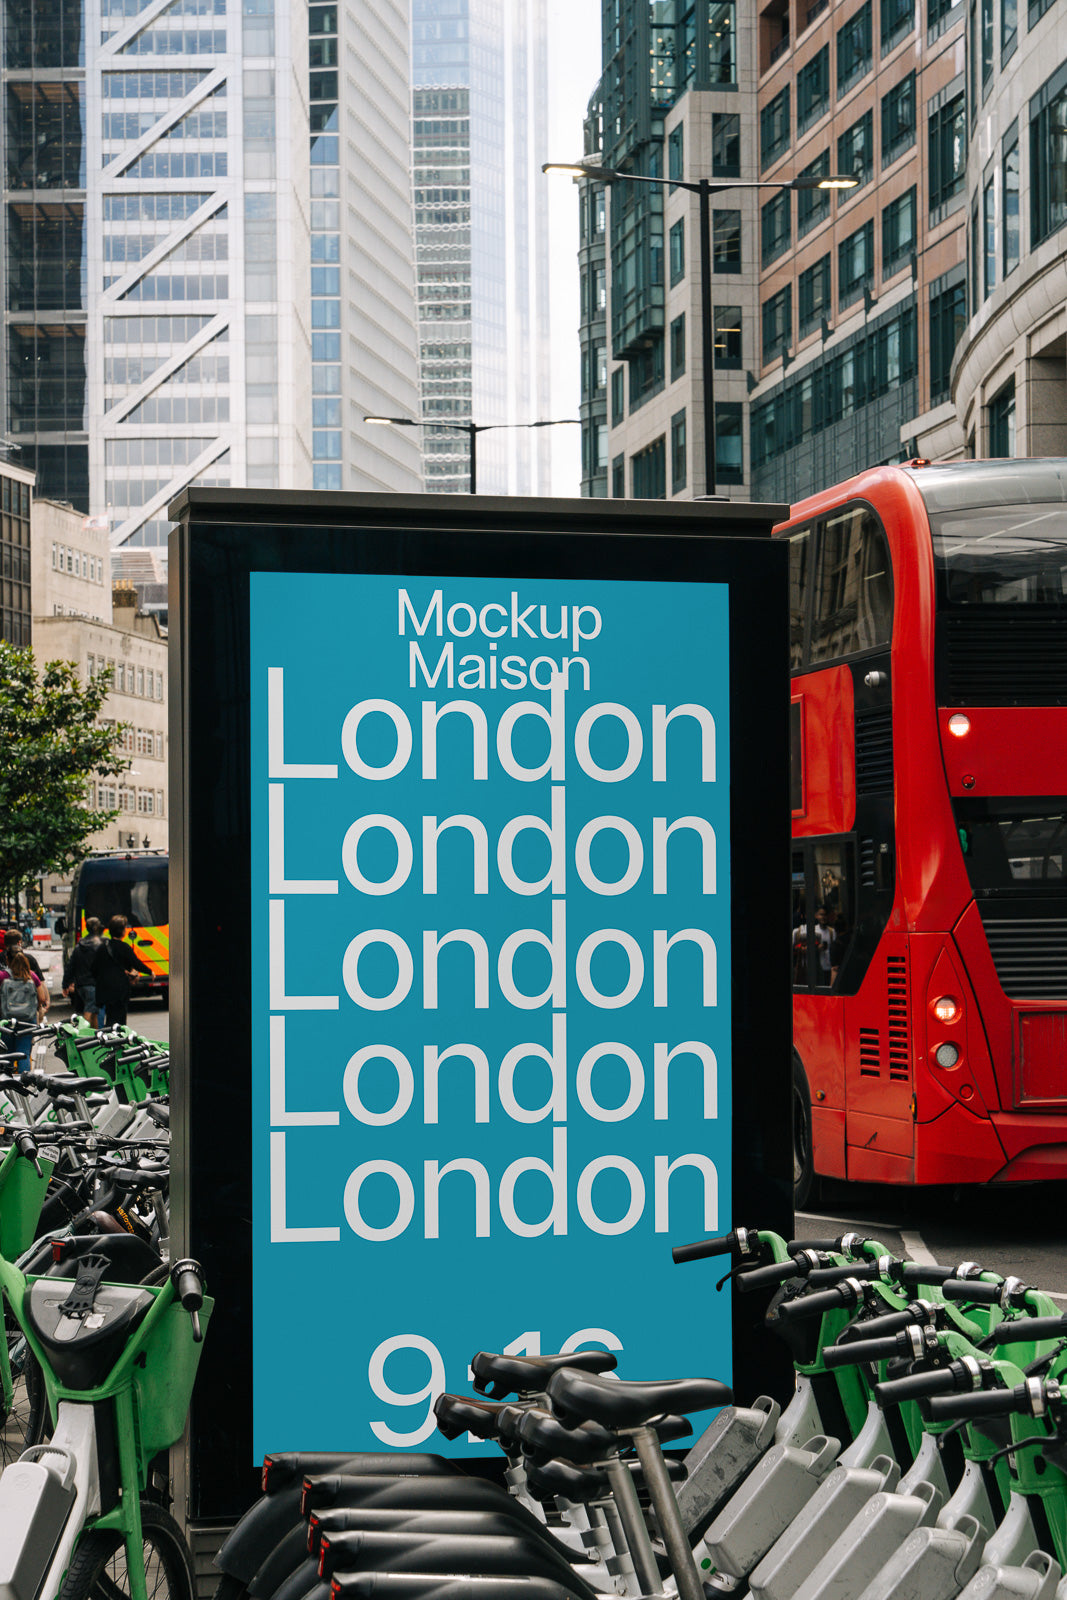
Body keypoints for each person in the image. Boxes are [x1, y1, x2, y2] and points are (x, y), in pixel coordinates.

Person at [93, 915, 153, 1027]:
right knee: (119, 1018)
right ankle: (116, 1040)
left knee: (111, 1016)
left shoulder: (102, 947)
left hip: (105, 989)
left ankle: (110, 1038)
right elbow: (136, 963)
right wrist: (150, 971)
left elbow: (94, 968)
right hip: (119, 989)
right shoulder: (124, 947)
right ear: (122, 931)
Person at [0, 952, 47, 1070]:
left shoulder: (3, 976)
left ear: (8, 961)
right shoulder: (32, 976)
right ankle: (24, 1083)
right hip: (27, 1019)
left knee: (7, 1052)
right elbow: (42, 998)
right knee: (24, 1051)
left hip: (7, 1019)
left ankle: (8, 1081)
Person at [63, 917, 105, 1026]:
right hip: (93, 984)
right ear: (96, 928)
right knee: (89, 1010)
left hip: (81, 985)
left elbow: (71, 966)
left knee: (94, 1012)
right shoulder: (99, 945)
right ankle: (83, 1032)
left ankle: (95, 1037)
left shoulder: (79, 946)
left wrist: (65, 984)